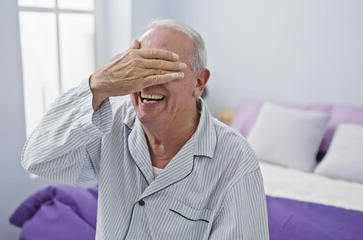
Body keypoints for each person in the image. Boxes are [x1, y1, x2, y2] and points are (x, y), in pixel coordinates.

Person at [22, 19, 269, 239]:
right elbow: (38, 159)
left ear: (198, 82)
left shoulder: (236, 161)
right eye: (139, 68)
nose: (147, 83)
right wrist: (97, 85)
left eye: (162, 68)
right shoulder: (112, 122)